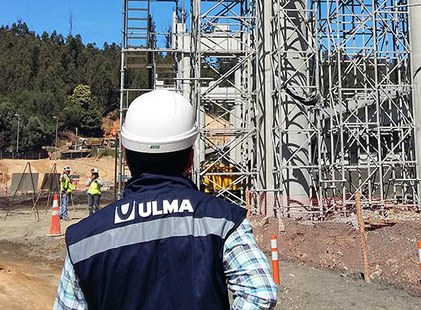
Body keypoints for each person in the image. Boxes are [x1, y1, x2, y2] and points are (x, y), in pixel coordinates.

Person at [53, 89, 278, 310]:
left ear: (126, 158)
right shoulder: (224, 221)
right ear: (190, 158)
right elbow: (260, 294)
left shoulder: (84, 239)